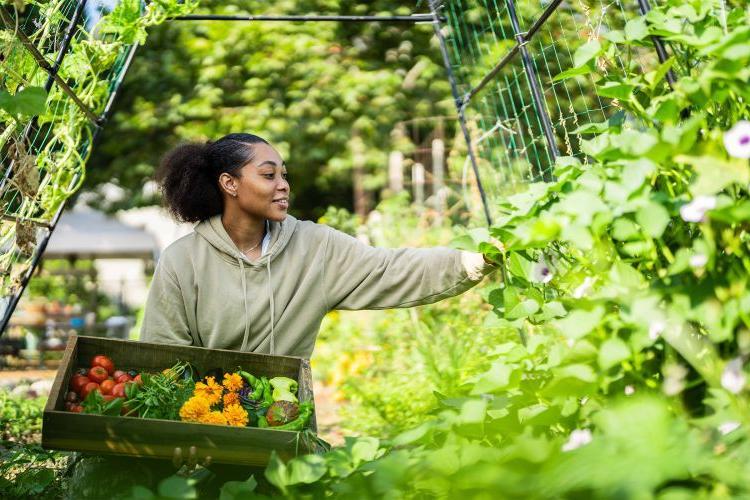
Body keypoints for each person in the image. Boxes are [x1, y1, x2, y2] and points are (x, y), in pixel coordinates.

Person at [140, 132, 498, 357]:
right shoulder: (182, 261)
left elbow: (391, 268)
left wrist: (473, 260)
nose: (283, 185)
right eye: (268, 175)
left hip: (285, 421)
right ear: (229, 184)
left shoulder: (315, 246)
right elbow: (164, 351)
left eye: (284, 175)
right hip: (201, 427)